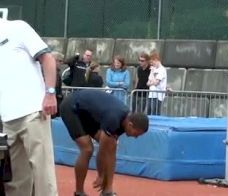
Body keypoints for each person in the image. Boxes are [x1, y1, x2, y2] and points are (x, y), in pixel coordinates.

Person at [0, 19, 58, 195]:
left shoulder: (17, 27)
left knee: (43, 175)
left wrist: (50, 93)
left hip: (33, 111)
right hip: (8, 120)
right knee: (15, 182)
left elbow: (47, 58)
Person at [60, 89, 149, 196]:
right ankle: (79, 192)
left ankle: (107, 191)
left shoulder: (123, 121)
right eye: (137, 134)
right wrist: (101, 175)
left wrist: (108, 184)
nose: (136, 137)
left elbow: (110, 152)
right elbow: (102, 151)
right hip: (71, 107)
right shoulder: (114, 119)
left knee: (112, 146)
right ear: (130, 125)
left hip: (87, 113)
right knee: (87, 149)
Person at [147, 51, 167, 115]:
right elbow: (148, 83)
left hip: (158, 96)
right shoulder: (153, 69)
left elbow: (156, 83)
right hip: (151, 94)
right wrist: (152, 81)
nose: (152, 64)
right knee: (149, 113)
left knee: (155, 113)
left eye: (152, 62)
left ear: (156, 60)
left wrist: (152, 81)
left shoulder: (162, 70)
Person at [52, 51, 65, 118]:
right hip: (52, 101)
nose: (61, 63)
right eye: (60, 61)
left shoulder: (57, 73)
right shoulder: (53, 73)